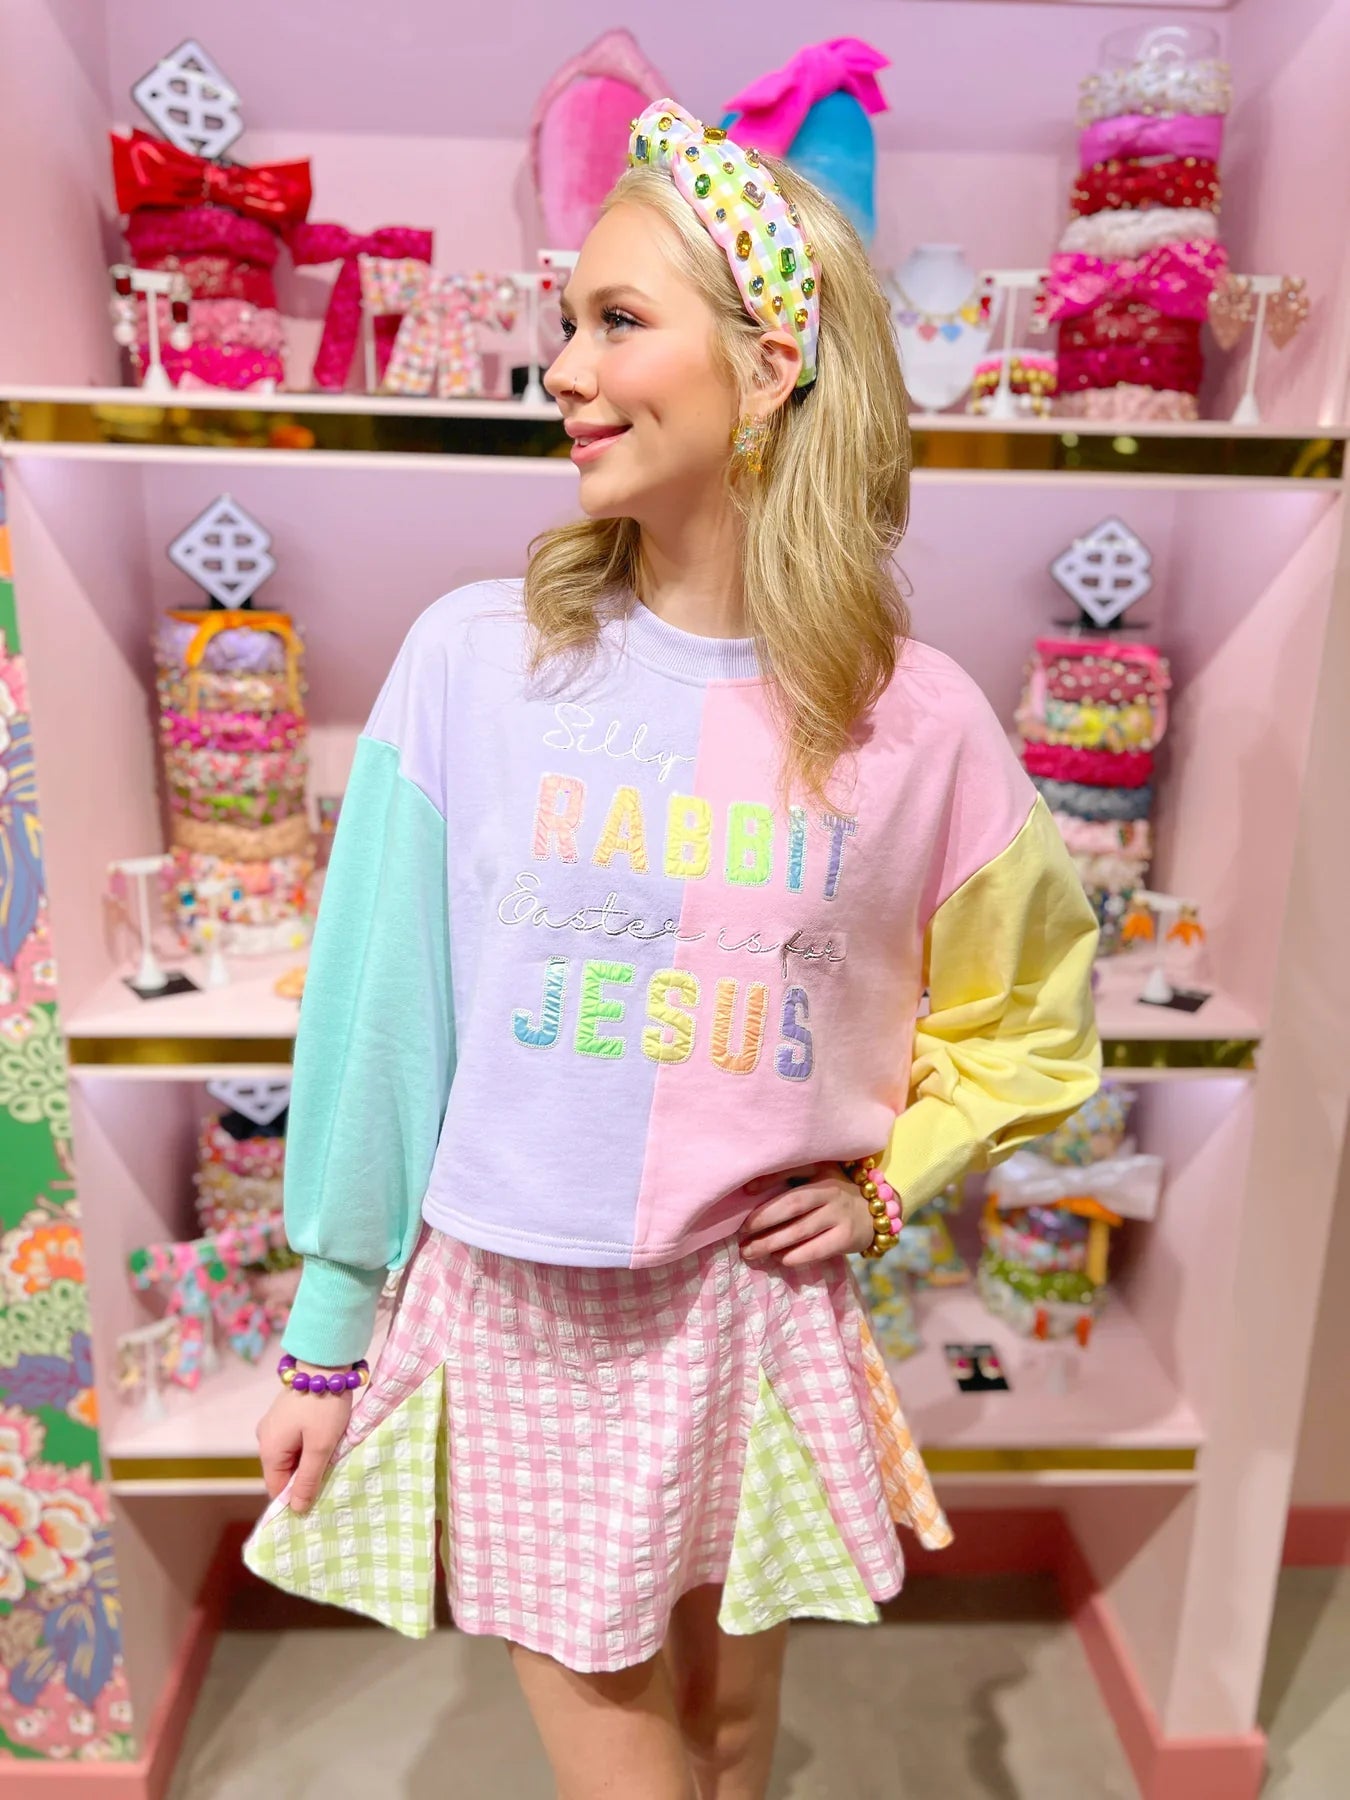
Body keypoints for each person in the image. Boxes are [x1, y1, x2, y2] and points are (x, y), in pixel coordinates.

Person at [246, 97, 1100, 1800]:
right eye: (568, 321)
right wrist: (330, 1320)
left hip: (753, 1312)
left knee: (727, 1739)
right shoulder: (475, 662)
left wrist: (889, 1179)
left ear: (771, 364)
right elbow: (380, 1014)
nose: (564, 369)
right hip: (524, 1309)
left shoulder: (915, 720)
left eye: (617, 320)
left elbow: (1030, 1016)